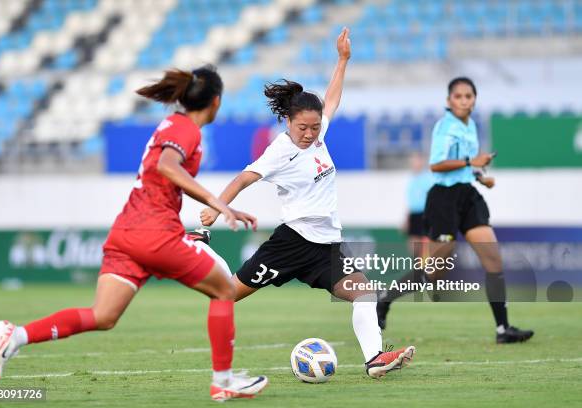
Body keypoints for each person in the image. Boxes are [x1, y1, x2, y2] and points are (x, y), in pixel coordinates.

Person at [0, 66, 268, 402]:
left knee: (103, 316)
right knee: (224, 290)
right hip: (154, 232)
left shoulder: (173, 124)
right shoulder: (186, 129)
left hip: (126, 232)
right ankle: (223, 380)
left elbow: (162, 171)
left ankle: (15, 335)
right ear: (217, 102)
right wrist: (217, 203)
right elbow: (167, 165)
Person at [200, 28, 415, 379]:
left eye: (315, 127)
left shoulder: (318, 134)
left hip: (326, 246)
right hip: (292, 243)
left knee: (365, 294)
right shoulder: (279, 152)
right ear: (288, 121)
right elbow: (242, 179)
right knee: (226, 293)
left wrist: (343, 60)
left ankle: (375, 358)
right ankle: (199, 248)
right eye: (303, 127)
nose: (310, 133)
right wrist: (217, 208)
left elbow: (331, 99)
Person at [377, 77, 534, 344]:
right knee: (435, 271)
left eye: (468, 96)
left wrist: (479, 176)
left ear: (474, 99)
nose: (464, 100)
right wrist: (472, 161)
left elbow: (463, 166)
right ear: (449, 100)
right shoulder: (444, 127)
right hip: (444, 201)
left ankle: (502, 329)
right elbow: (436, 165)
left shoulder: (470, 125)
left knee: (493, 261)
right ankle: (385, 299)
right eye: (458, 96)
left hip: (468, 197)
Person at [376, 152, 434, 329]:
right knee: (417, 258)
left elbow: (431, 200)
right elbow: (410, 203)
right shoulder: (412, 180)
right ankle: (413, 280)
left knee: (425, 260)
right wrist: (406, 219)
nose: (414, 163)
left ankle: (394, 291)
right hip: (416, 217)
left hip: (426, 216)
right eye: (412, 161)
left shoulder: (428, 178)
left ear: (422, 161)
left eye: (416, 160)